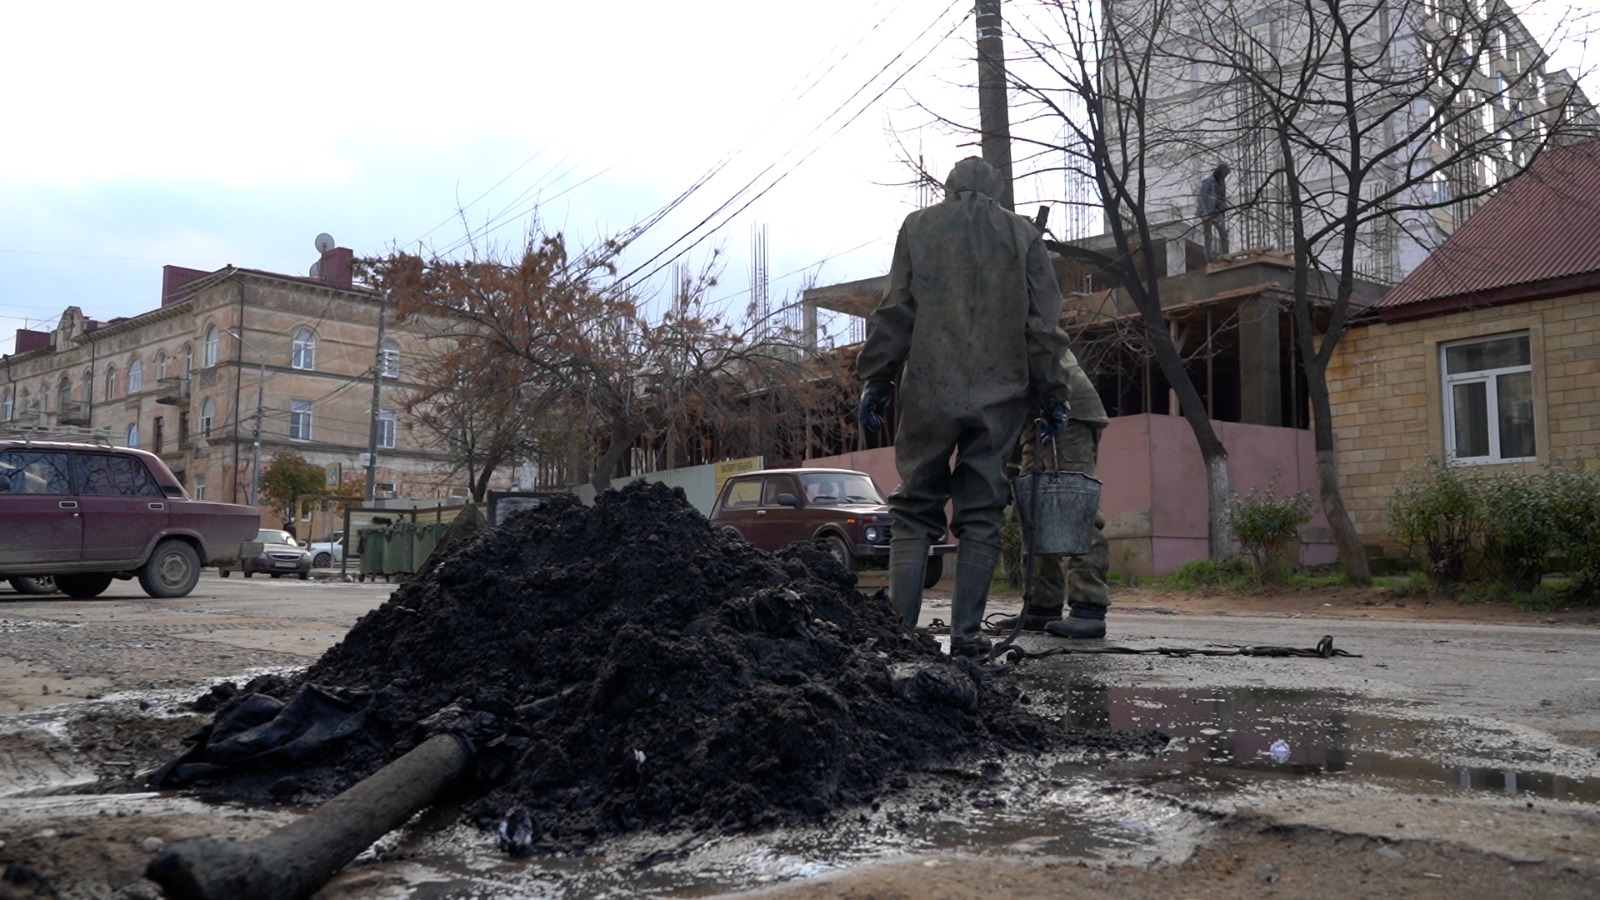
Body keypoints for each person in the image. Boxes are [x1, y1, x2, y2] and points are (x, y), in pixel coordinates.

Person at [857, 156, 1076, 657]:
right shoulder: (1024, 236)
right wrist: (1053, 393)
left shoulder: (918, 227)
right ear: (996, 190)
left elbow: (895, 309)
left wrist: (878, 377)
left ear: (949, 187)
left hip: (930, 389)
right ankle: (968, 637)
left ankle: (901, 633)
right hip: (1000, 394)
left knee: (914, 506)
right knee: (982, 511)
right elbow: (1043, 326)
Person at [1000, 359, 1112, 638]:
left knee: (1074, 505)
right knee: (1032, 508)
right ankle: (1042, 604)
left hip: (1065, 408)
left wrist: (1055, 400)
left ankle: (1089, 606)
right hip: (1034, 420)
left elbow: (1046, 351)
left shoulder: (997, 335)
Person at [1198, 163, 1230, 263]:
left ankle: (1225, 255)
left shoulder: (1221, 183)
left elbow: (1222, 198)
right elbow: (1201, 198)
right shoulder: (1207, 182)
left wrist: (1223, 211)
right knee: (1208, 236)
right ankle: (1209, 260)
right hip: (1207, 212)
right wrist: (1204, 213)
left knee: (1224, 234)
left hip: (1217, 212)